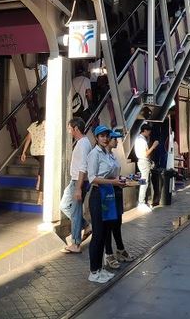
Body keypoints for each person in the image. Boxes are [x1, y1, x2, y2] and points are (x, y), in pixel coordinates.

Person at [87, 126, 126, 283]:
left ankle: (100, 268)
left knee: (104, 233)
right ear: (96, 138)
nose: (105, 138)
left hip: (108, 194)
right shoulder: (94, 154)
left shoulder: (107, 154)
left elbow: (112, 174)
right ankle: (93, 271)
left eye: (106, 136)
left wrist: (119, 183)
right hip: (98, 195)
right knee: (97, 235)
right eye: (101, 136)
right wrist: (113, 181)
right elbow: (92, 178)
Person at [59, 117, 92, 254]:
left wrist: (78, 187)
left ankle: (76, 244)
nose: (68, 130)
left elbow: (83, 167)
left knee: (75, 211)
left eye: (69, 128)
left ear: (76, 128)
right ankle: (86, 226)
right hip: (75, 181)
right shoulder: (82, 143)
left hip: (78, 182)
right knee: (65, 206)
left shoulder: (83, 144)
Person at [103, 129, 134, 270]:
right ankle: (108, 253)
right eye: (115, 139)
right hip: (107, 193)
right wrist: (116, 181)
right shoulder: (99, 155)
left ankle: (120, 250)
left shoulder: (112, 155)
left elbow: (115, 174)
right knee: (108, 224)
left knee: (117, 222)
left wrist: (125, 180)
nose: (117, 141)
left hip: (116, 191)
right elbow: (99, 177)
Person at [20, 107, 46, 205]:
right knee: (43, 171)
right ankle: (40, 196)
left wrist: (23, 152)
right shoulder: (47, 124)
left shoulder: (33, 125)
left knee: (42, 168)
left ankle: (39, 180)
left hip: (35, 152)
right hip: (44, 151)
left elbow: (28, 139)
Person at [135, 123, 158, 212]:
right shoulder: (142, 141)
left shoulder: (138, 139)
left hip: (141, 162)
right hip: (143, 162)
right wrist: (153, 146)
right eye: (149, 132)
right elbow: (146, 153)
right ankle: (141, 202)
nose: (149, 133)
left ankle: (142, 201)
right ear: (145, 131)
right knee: (144, 182)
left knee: (143, 181)